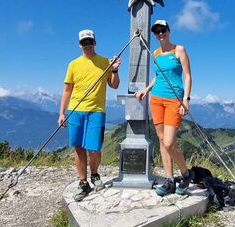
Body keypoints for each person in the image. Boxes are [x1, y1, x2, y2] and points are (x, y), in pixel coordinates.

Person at [59, 29, 121, 201]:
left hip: (96, 110)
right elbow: (67, 90)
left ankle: (94, 174)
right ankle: (83, 182)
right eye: (84, 42)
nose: (87, 45)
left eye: (90, 41)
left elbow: (114, 85)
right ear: (80, 44)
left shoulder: (105, 62)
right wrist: (62, 113)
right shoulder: (73, 64)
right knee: (78, 148)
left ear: (95, 42)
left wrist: (114, 70)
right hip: (75, 110)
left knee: (94, 148)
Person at [135, 20, 193, 196]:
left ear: (169, 31)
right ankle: (169, 180)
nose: (160, 33)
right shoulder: (156, 53)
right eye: (157, 31)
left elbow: (188, 76)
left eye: (163, 30)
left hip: (174, 99)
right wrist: (147, 89)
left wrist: (186, 99)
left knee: (169, 142)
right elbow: (158, 76)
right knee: (161, 141)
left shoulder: (179, 50)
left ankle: (185, 174)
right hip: (156, 99)